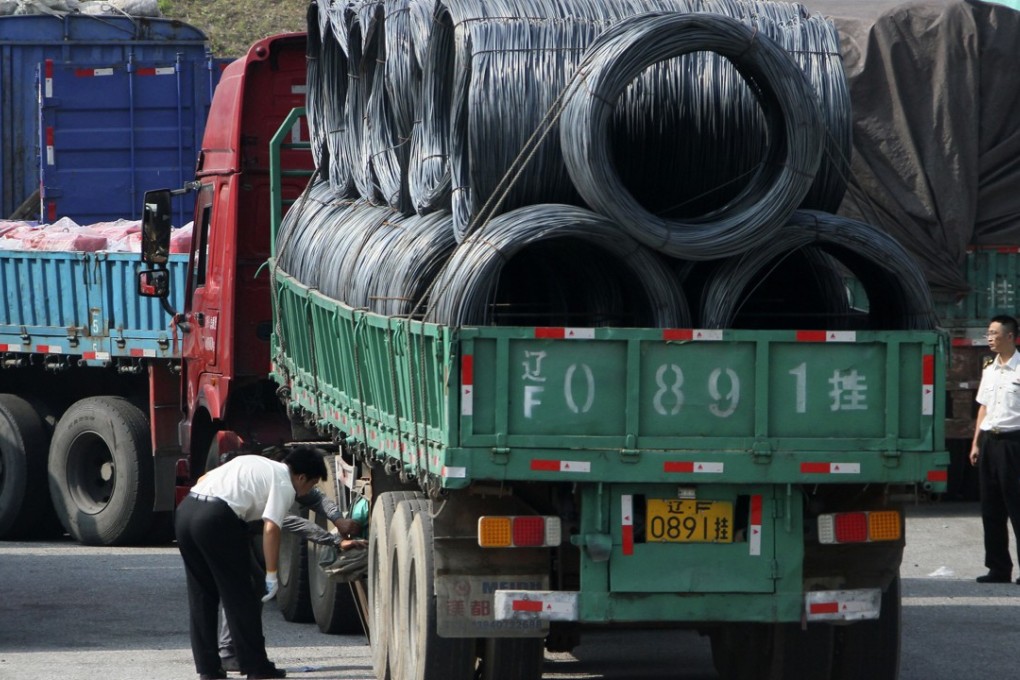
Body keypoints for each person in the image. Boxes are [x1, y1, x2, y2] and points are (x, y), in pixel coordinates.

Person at [175, 445, 328, 680]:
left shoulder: (256, 462)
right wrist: (271, 573)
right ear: (301, 477)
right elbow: (271, 528)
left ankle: (208, 669)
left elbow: (204, 478)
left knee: (202, 596)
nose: (308, 491)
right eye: (311, 484)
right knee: (241, 597)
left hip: (186, 511)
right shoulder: (285, 484)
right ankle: (256, 668)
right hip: (216, 519)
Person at [216, 485, 364, 672]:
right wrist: (336, 541)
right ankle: (230, 653)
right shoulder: (277, 485)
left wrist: (338, 519)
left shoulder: (287, 479)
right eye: (312, 481)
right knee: (238, 588)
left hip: (228, 520)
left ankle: (241, 653)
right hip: (222, 525)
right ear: (300, 478)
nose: (312, 488)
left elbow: (317, 498)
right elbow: (290, 523)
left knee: (253, 585)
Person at [970, 314, 1020, 585]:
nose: (989, 337)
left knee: (1018, 509)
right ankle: (998, 569)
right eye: (988, 333)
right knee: (991, 510)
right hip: (991, 442)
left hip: (1015, 444)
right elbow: (983, 408)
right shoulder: (989, 369)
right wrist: (976, 442)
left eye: (994, 333)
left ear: (1010, 336)